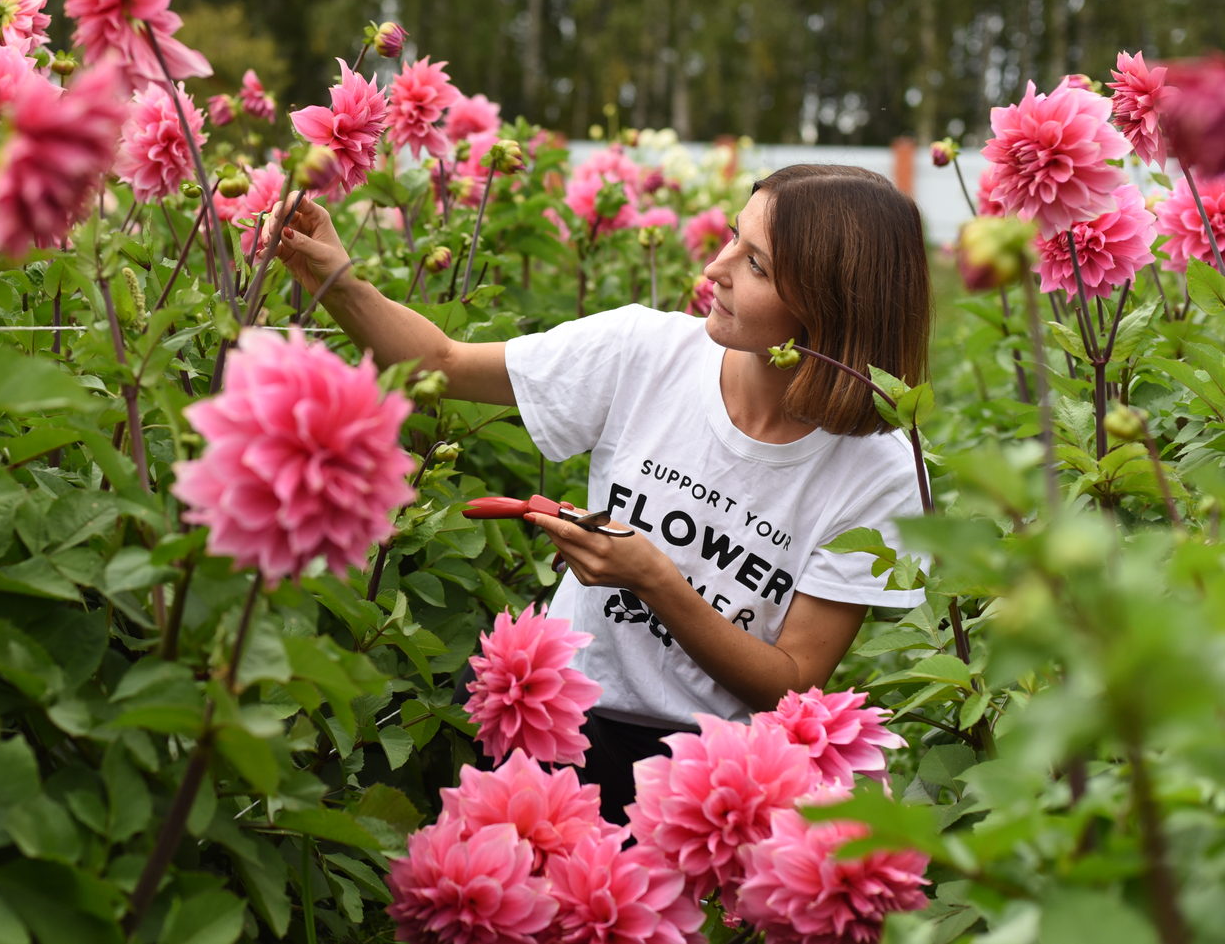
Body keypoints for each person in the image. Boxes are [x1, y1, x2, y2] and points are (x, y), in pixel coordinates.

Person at [267, 163, 931, 821]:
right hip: (557, 725)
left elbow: (791, 681)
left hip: (711, 783)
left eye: (754, 263)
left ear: (828, 303)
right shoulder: (643, 351)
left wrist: (658, 581)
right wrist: (335, 279)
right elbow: (442, 363)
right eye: (732, 235)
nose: (715, 268)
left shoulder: (880, 471)